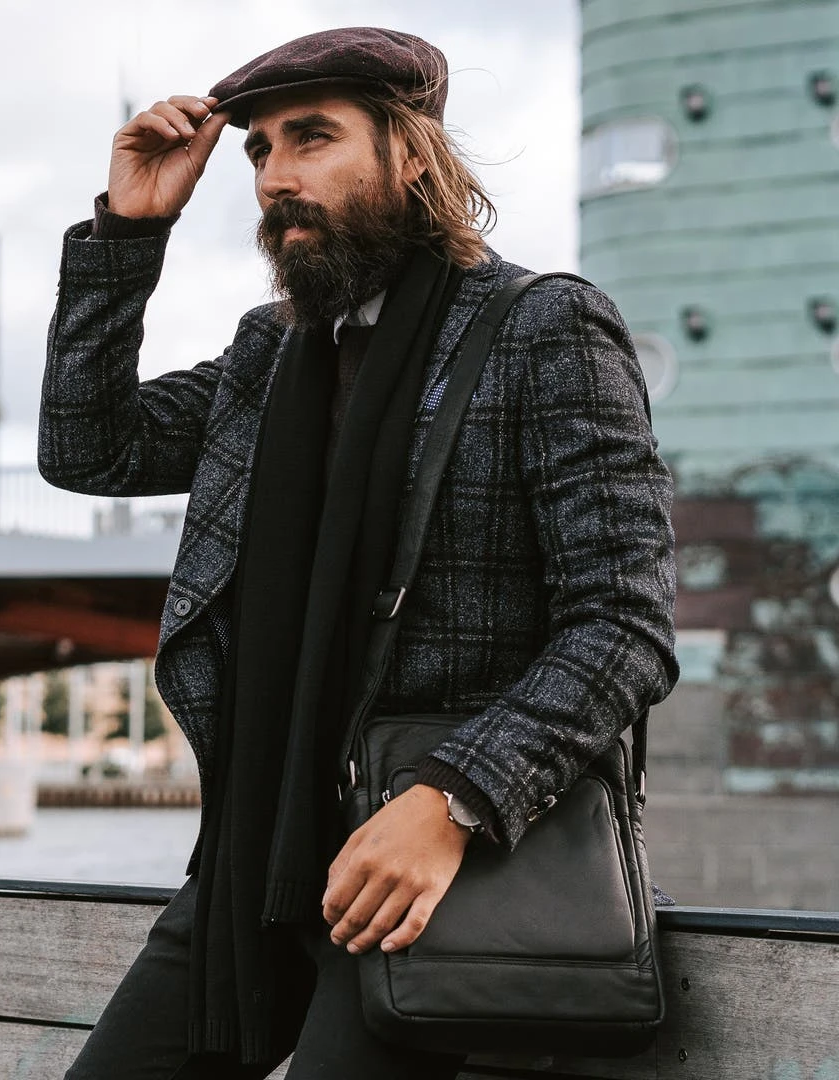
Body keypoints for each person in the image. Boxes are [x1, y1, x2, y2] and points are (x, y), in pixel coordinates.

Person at [38, 26, 678, 1080]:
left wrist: (453, 799)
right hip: (256, 861)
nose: (275, 177)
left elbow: (625, 623)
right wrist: (128, 232)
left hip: (438, 875)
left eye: (313, 138)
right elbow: (88, 449)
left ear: (411, 153)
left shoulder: (545, 329)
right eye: (258, 150)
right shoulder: (272, 352)